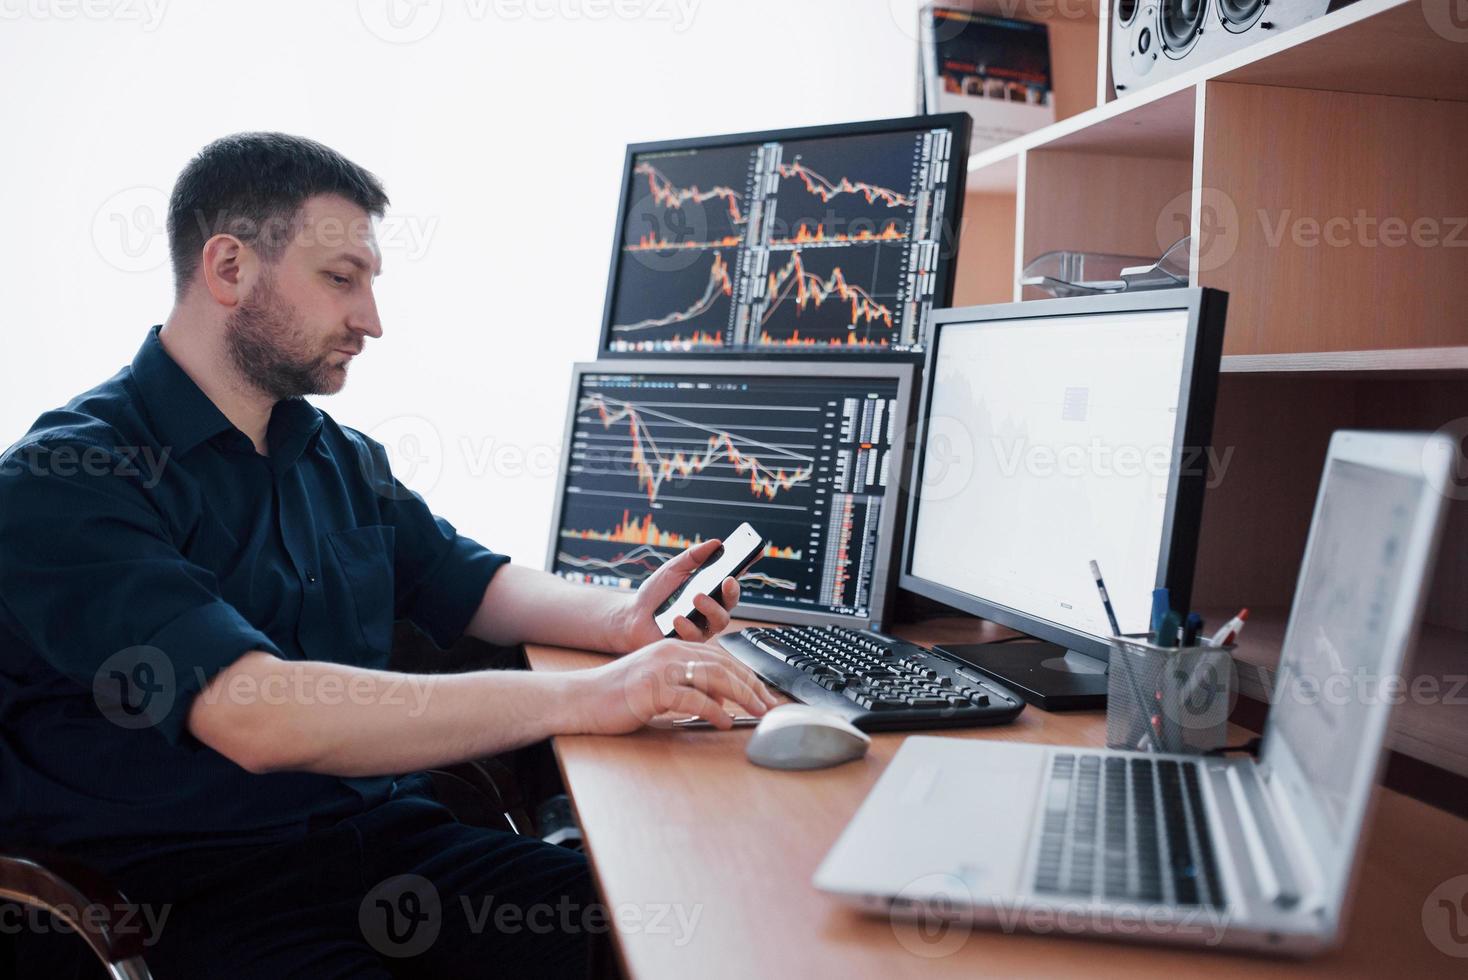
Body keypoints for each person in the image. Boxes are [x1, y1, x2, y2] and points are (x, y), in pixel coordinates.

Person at [0, 132, 777, 979]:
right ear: (228, 269)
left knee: (692, 934)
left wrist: (623, 621)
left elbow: (468, 582)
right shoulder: (66, 480)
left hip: (390, 853)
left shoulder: (331, 451)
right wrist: (592, 694)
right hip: (195, 904)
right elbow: (255, 714)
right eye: (341, 280)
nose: (372, 320)